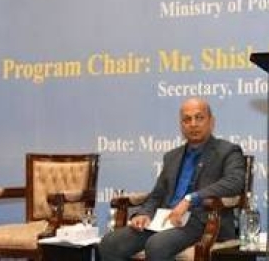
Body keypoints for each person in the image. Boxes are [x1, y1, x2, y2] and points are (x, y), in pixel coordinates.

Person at [99, 97, 245, 261]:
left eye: (199, 118)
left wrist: (191, 199)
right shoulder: (172, 157)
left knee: (157, 245)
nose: (193, 124)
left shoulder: (228, 151)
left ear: (211, 122)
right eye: (187, 119)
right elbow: (157, 195)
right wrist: (144, 214)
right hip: (165, 221)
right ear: (181, 125)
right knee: (110, 243)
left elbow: (235, 182)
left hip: (202, 222)